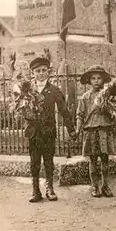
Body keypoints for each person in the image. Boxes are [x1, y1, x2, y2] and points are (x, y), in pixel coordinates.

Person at [27, 56, 76, 203]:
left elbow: (64, 111)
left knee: (48, 161)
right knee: (34, 161)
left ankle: (50, 189)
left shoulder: (54, 90)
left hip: (48, 132)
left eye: (44, 70)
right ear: (32, 73)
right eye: (38, 71)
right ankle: (36, 191)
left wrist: (71, 129)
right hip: (33, 132)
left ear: (48, 72)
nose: (41, 73)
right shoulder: (27, 90)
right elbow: (19, 109)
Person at [76, 65, 116, 198]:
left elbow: (114, 113)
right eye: (93, 78)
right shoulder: (85, 97)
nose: (96, 81)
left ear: (104, 80)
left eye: (99, 78)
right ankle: (95, 186)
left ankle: (105, 186)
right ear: (89, 80)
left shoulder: (109, 97)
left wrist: (111, 108)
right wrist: (77, 129)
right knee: (92, 161)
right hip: (91, 131)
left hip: (104, 130)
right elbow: (80, 115)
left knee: (105, 160)